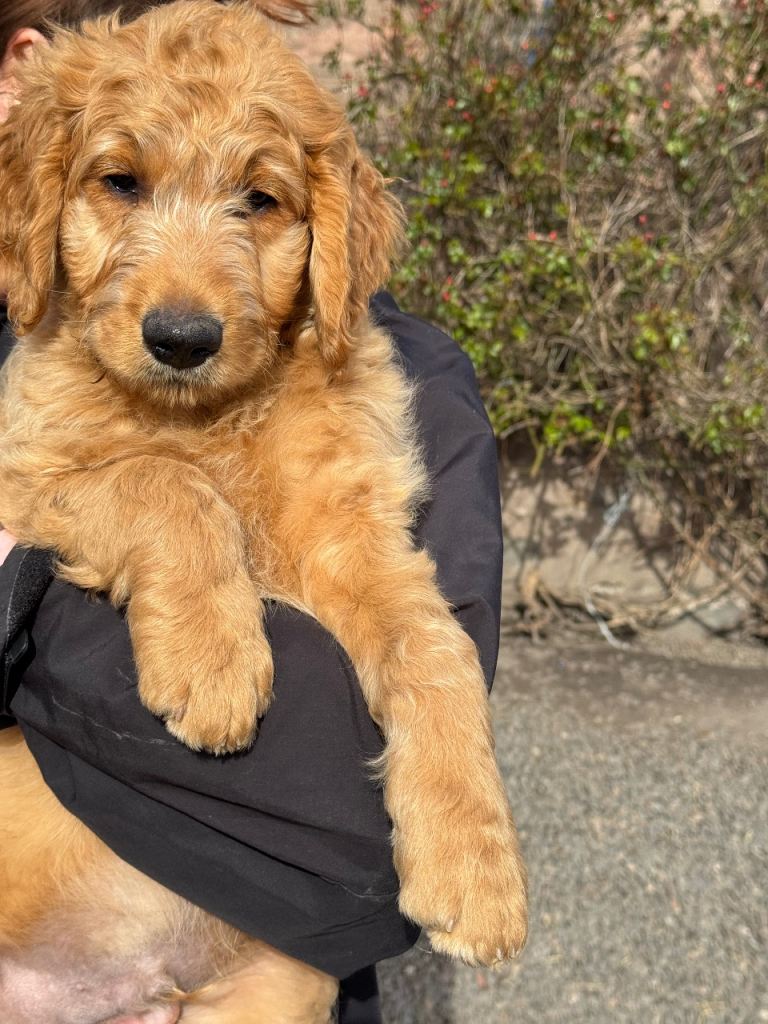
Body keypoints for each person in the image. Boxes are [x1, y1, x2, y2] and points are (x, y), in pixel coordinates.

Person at [0, 3, 504, 1022]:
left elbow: (376, 590)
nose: (184, 301)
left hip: (242, 967)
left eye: (257, 201)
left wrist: (456, 794)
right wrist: (167, 518)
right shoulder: (59, 352)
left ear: (329, 226)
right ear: (39, 190)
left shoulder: (402, 386)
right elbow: (34, 480)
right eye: (123, 183)